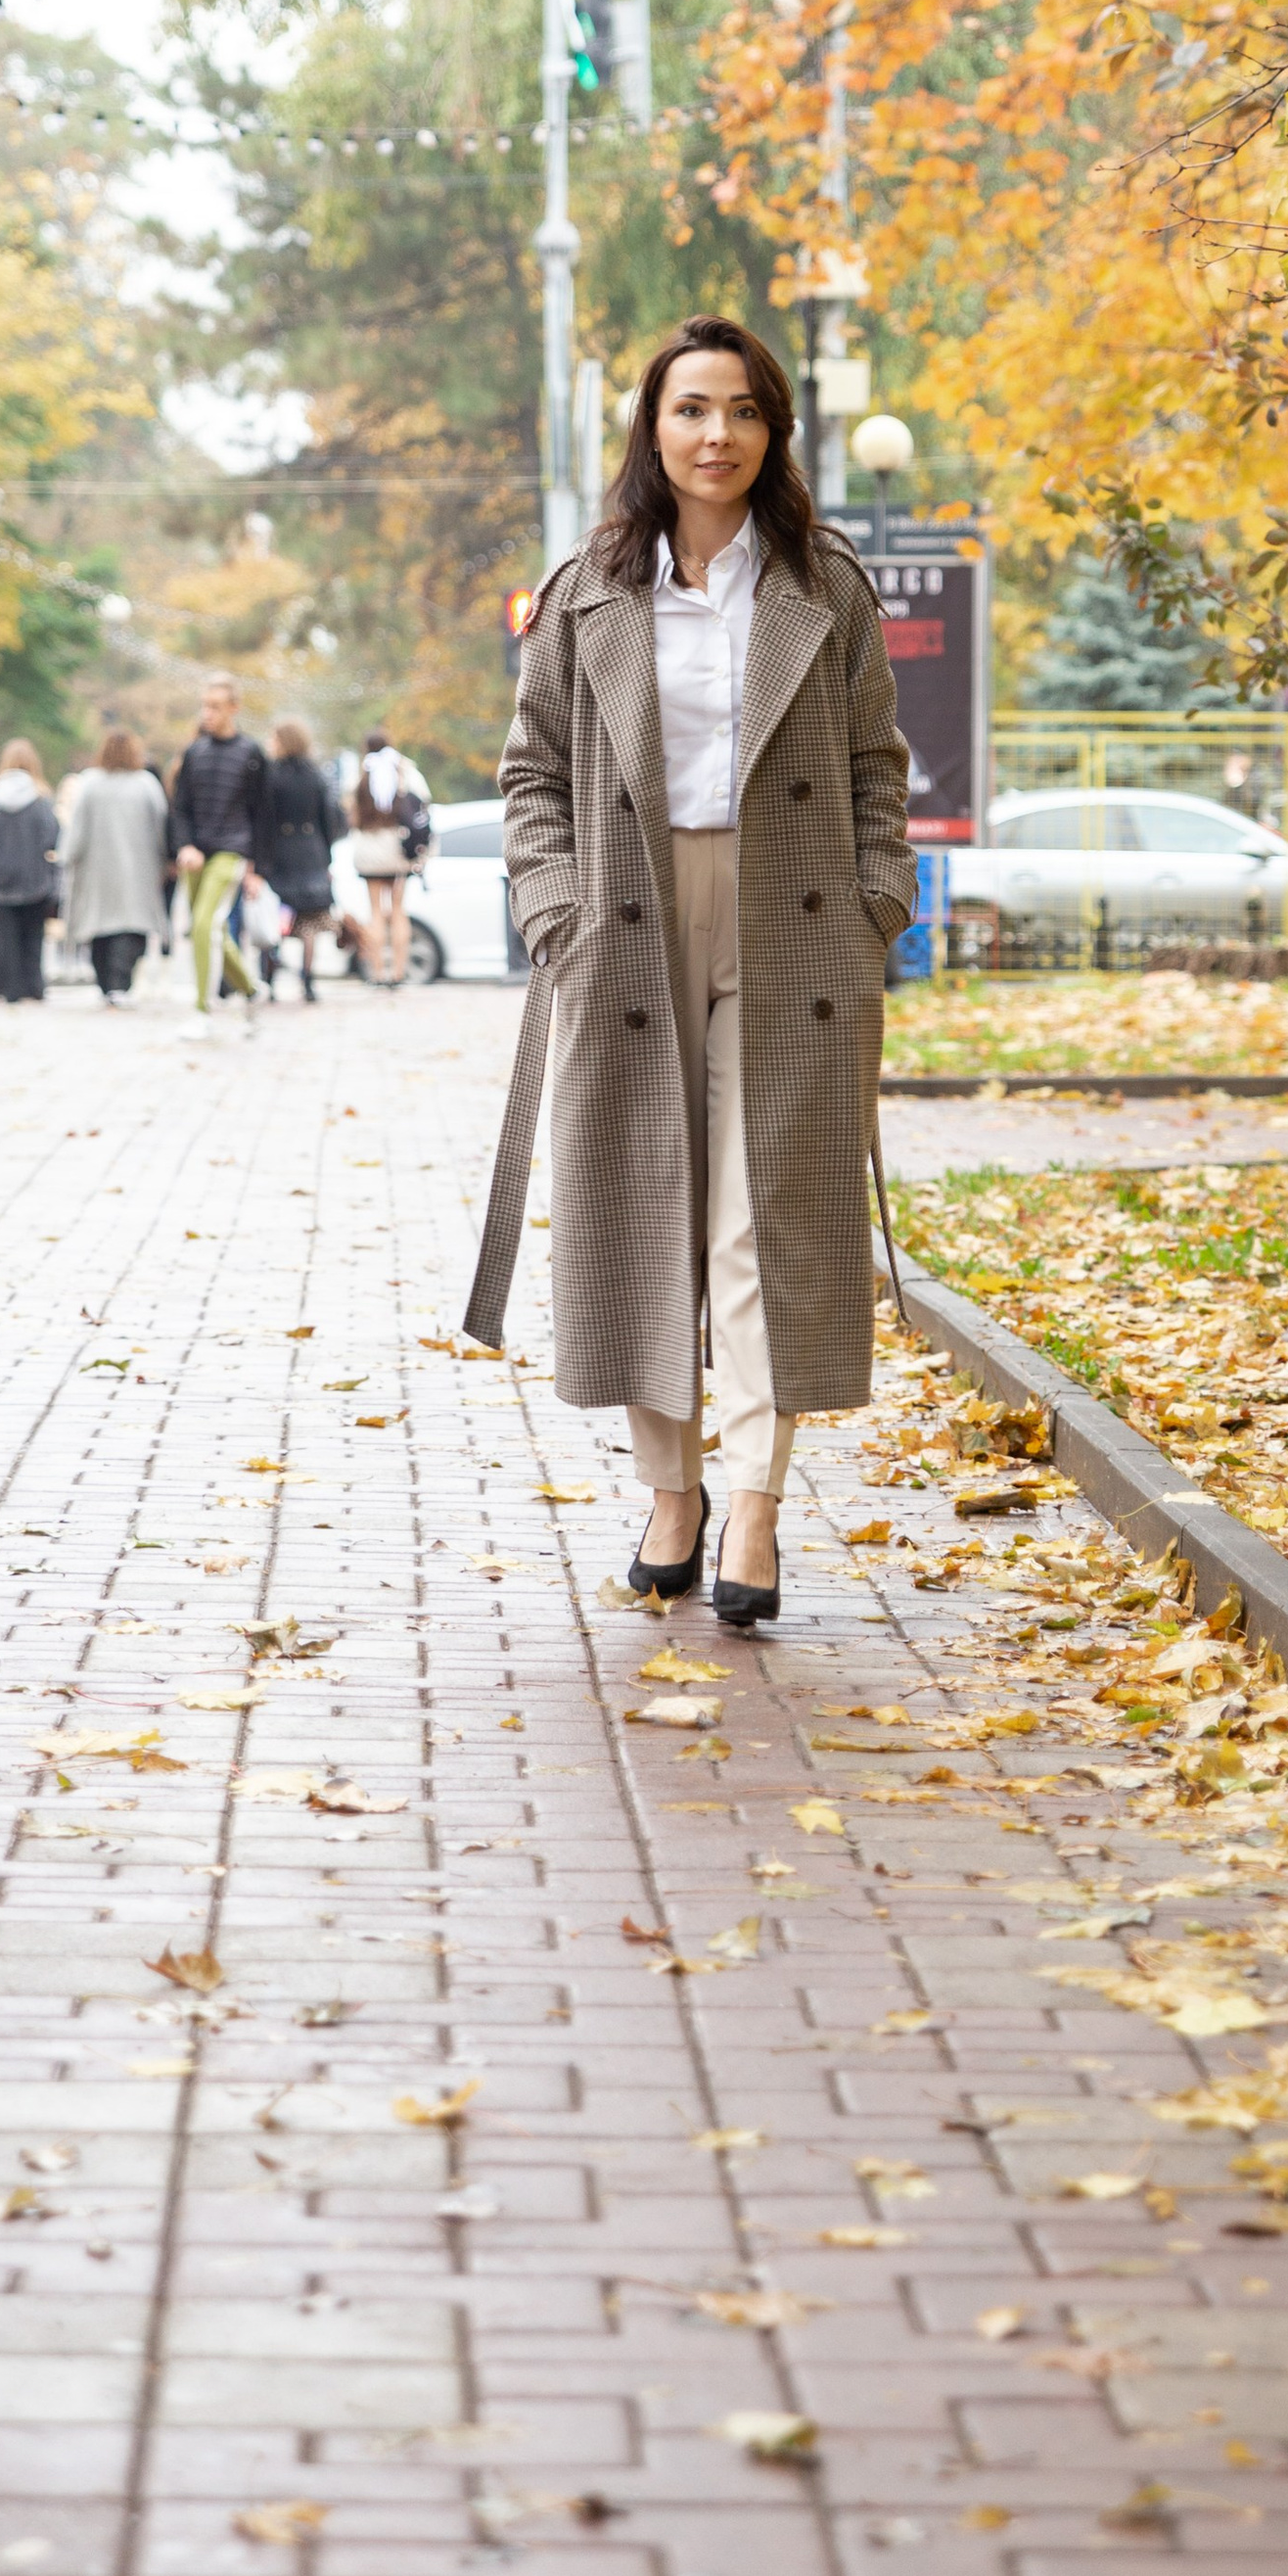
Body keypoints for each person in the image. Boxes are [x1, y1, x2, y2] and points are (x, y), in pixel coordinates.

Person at [465, 314, 914, 1629]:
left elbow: (877, 767)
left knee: (758, 1222)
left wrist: (876, 901)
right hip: (629, 922)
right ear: (652, 433)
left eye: (742, 411)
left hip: (796, 920)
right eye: (690, 410)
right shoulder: (589, 590)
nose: (716, 434)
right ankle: (674, 1493)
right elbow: (530, 775)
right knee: (649, 1209)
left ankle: (759, 1506)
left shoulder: (822, 587)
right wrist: (558, 912)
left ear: (775, 431)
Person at [168, 671, 269, 1017]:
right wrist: (184, 846)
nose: (207, 714)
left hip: (232, 852)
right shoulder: (194, 753)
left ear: (233, 708)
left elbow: (261, 815)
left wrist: (256, 868)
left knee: (203, 926)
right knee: (211, 930)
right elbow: (179, 808)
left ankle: (201, 1011)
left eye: (214, 707)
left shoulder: (252, 754)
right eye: (204, 706)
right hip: (196, 854)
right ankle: (252, 990)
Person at [60, 727, 170, 1003]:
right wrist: (165, 859)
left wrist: (67, 856)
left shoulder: (90, 783)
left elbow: (77, 827)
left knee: (100, 927)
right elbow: (161, 826)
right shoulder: (146, 784)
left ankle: (106, 984)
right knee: (131, 925)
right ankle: (121, 984)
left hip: (97, 871)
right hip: (138, 869)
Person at [256, 716, 345, 1004]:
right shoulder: (316, 775)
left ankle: (267, 978)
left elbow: (264, 820)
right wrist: (326, 858)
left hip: (279, 854)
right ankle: (307, 980)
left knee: (274, 919)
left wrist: (260, 861)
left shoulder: (270, 775)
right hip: (311, 853)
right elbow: (328, 820)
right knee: (309, 923)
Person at [0, 740, 61, 1002]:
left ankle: (6, 987)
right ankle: (33, 986)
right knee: (33, 935)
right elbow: (52, 835)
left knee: (4, 935)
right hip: (35, 877)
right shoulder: (41, 796)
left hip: (0, 878)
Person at [347, 727, 430, 985]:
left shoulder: (361, 774)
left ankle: (378, 972)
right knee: (397, 910)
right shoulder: (404, 770)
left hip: (369, 850)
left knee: (375, 911)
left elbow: (349, 811)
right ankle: (398, 972)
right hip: (398, 849)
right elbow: (423, 805)